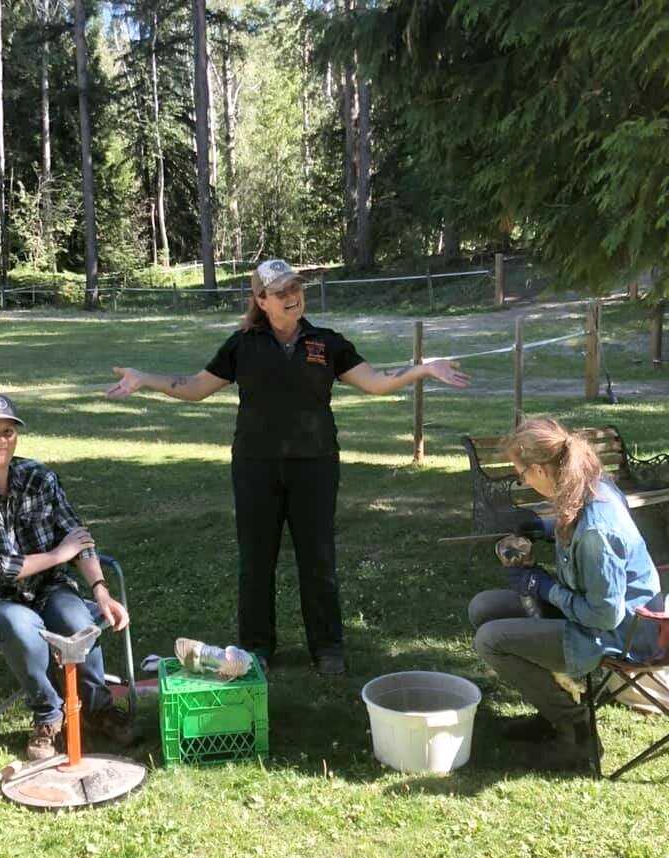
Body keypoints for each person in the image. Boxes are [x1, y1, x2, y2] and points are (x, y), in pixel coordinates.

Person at [108, 258, 470, 675]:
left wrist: (422, 368)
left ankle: (328, 648)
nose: (292, 296)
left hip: (314, 466)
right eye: (280, 291)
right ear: (261, 300)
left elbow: (375, 380)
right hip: (255, 467)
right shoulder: (242, 345)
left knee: (318, 558)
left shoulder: (326, 342)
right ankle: (257, 648)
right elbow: (194, 388)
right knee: (256, 560)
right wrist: (143, 378)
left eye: (295, 287)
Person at [0, 393, 140, 760]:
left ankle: (96, 709)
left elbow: (78, 538)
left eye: (8, 430)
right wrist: (55, 555)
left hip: (46, 588)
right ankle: (48, 716)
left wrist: (100, 590)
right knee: (23, 626)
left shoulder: (39, 477)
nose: (1, 439)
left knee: (77, 621)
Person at [469, 416, 663, 771]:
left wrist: (543, 587)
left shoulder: (595, 533)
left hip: (622, 633)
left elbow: (603, 615)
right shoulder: (584, 483)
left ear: (541, 468)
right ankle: (551, 708)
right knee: (484, 607)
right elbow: (572, 525)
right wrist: (542, 527)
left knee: (491, 639)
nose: (523, 481)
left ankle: (577, 731)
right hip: (599, 613)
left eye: (522, 474)